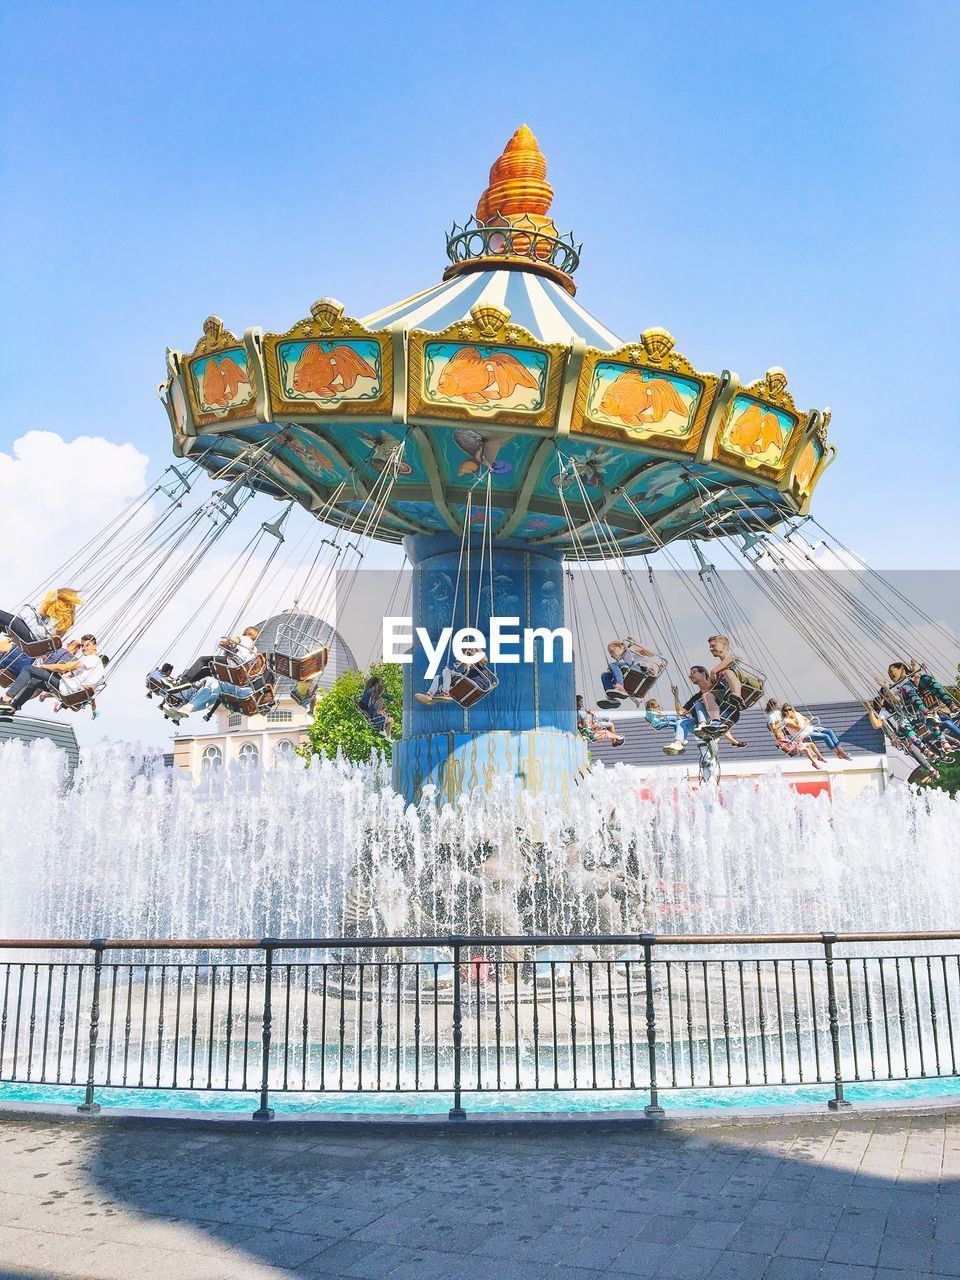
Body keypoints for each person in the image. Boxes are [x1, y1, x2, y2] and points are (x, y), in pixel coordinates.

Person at [0, 635, 107, 714]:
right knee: (36, 682)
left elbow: (63, 668)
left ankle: (6, 700)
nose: (84, 648)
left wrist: (43, 667)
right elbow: (67, 674)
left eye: (87, 645)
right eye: (83, 646)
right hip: (68, 689)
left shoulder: (93, 659)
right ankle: (12, 709)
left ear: (95, 647)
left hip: (66, 688)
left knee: (28, 670)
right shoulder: (97, 670)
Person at [646, 686, 746, 756]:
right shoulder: (696, 697)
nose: (691, 675)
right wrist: (676, 696)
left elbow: (723, 727)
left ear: (704, 675)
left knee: (701, 706)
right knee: (681, 721)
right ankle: (678, 743)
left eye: (694, 672)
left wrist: (735, 742)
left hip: (716, 718)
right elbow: (681, 712)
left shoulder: (716, 689)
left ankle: (704, 726)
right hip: (701, 725)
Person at [864, 696, 940, 778]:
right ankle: (931, 767)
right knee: (912, 749)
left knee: (924, 723)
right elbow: (877, 725)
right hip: (902, 731)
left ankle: (939, 749)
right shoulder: (883, 712)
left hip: (910, 723)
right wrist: (870, 710)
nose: (888, 701)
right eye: (885, 701)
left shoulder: (896, 705)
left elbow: (896, 697)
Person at [0, 588, 83, 648]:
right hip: (35, 641)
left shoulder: (57, 613)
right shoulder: (65, 619)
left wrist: (49, 596)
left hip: (31, 635)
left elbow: (41, 612)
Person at [177, 627, 261, 685]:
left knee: (203, 660)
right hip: (238, 670)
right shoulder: (254, 649)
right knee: (207, 671)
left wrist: (227, 641)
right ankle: (187, 683)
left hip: (233, 663)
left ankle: (185, 679)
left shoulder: (244, 638)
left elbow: (230, 641)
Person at [765, 699, 826, 768]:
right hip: (789, 747)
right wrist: (781, 723)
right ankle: (814, 763)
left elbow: (784, 720)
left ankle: (819, 757)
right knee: (805, 749)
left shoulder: (781, 730)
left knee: (811, 744)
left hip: (791, 744)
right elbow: (774, 728)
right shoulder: (777, 731)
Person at [779, 703, 852, 761]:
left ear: (792, 709)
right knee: (825, 736)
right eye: (785, 710)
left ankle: (841, 751)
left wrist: (804, 722)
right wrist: (795, 718)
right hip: (803, 735)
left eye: (789, 709)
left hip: (809, 729)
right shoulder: (786, 721)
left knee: (829, 731)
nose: (788, 712)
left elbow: (806, 719)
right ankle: (838, 753)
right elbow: (799, 727)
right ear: (783, 712)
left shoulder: (797, 714)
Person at [601, 637, 658, 702]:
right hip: (633, 670)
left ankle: (619, 686)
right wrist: (612, 669)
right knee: (604, 675)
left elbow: (651, 654)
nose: (611, 655)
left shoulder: (631, 650)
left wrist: (635, 641)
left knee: (613, 665)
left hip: (643, 668)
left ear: (620, 647)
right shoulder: (622, 659)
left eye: (611, 651)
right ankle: (611, 697)